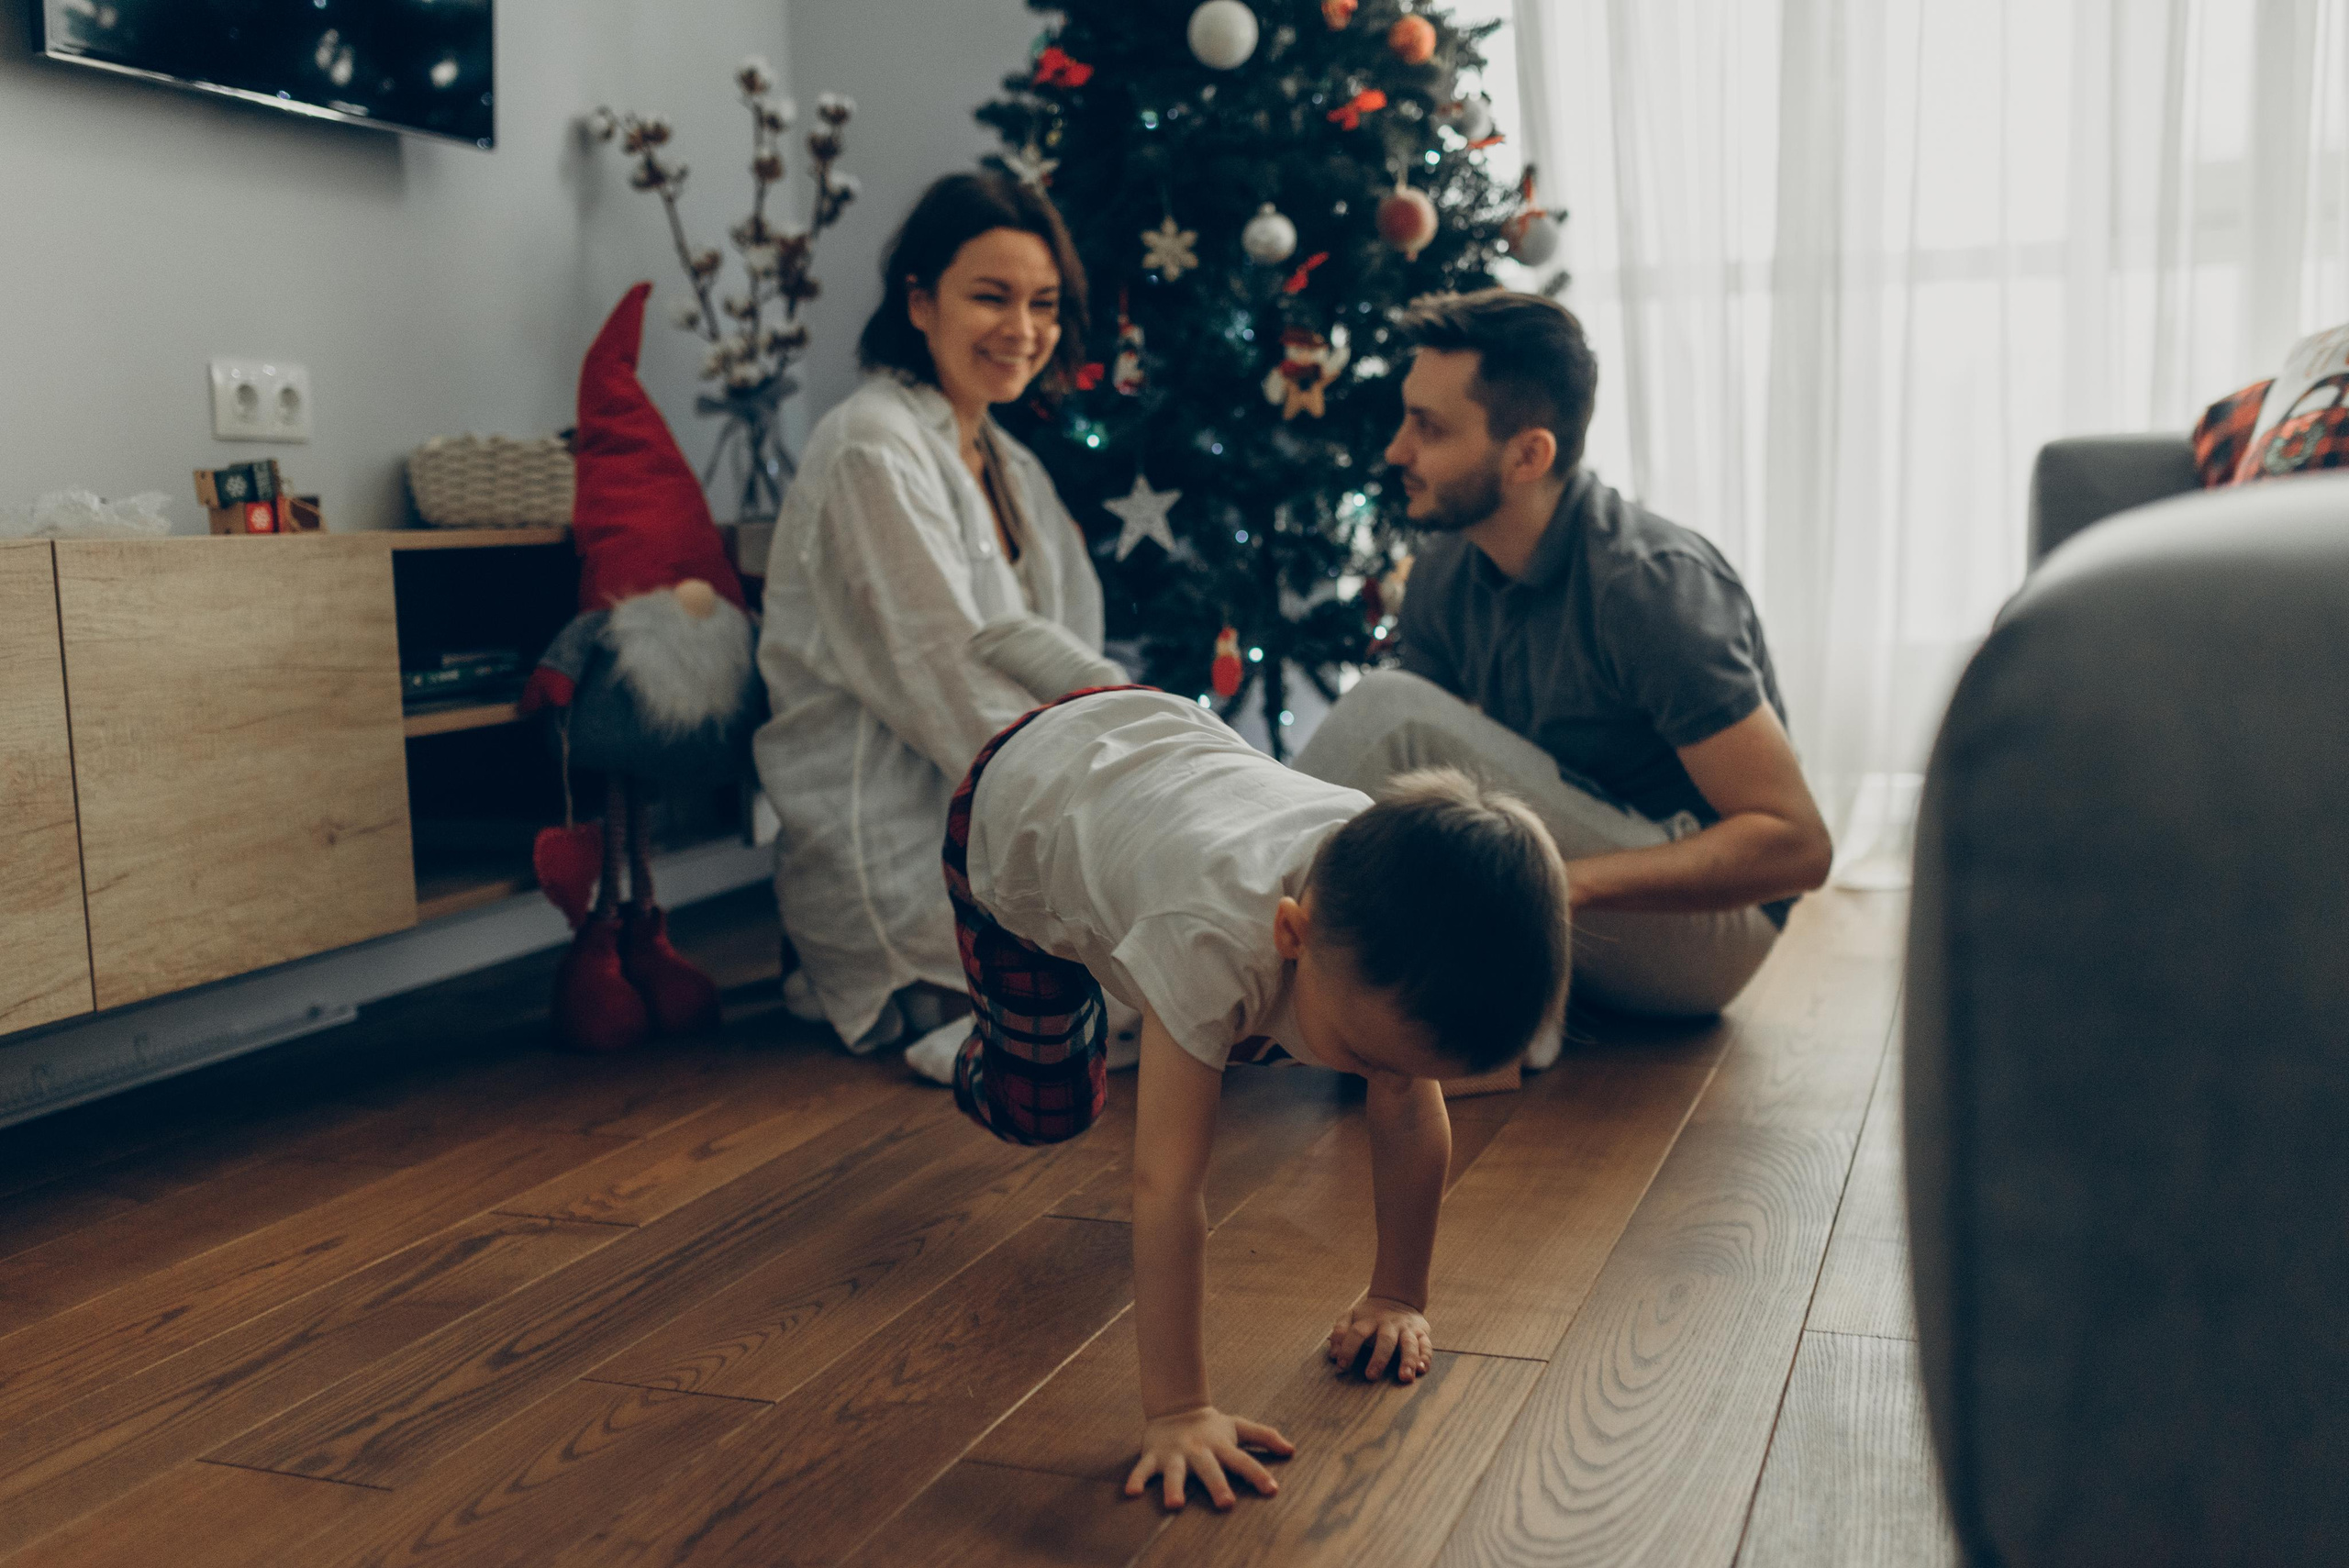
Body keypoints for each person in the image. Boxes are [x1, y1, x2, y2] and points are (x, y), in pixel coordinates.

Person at [933, 684, 1570, 1510]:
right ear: (1289, 935)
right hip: (1016, 813)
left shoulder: (1380, 900)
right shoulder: (1210, 939)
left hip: (1144, 755)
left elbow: (1411, 1110)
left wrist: (1398, 1295)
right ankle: (979, 1053)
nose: (1385, 1076)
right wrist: (1180, 1410)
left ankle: (1110, 990)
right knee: (1047, 1109)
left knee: (1179, 1013)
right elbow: (1166, 1185)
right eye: (1364, 1055)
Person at [1297, 290, 1832, 1042]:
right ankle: (1477, 1026)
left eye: (1428, 428)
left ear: (1528, 455)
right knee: (1407, 739)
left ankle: (1223, 952)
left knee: (1393, 711)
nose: (1395, 451)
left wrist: (1556, 884)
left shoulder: (1649, 586)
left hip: (1708, 935)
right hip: (1566, 896)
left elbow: (1797, 847)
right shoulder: (1452, 566)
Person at [753, 172, 1107, 1056]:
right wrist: (1102, 820)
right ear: (920, 302)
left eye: (1044, 304)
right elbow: (946, 678)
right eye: (992, 297)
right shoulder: (872, 445)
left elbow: (1072, 651)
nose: (1023, 331)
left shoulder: (1011, 462)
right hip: (898, 843)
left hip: (999, 809)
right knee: (1156, 987)